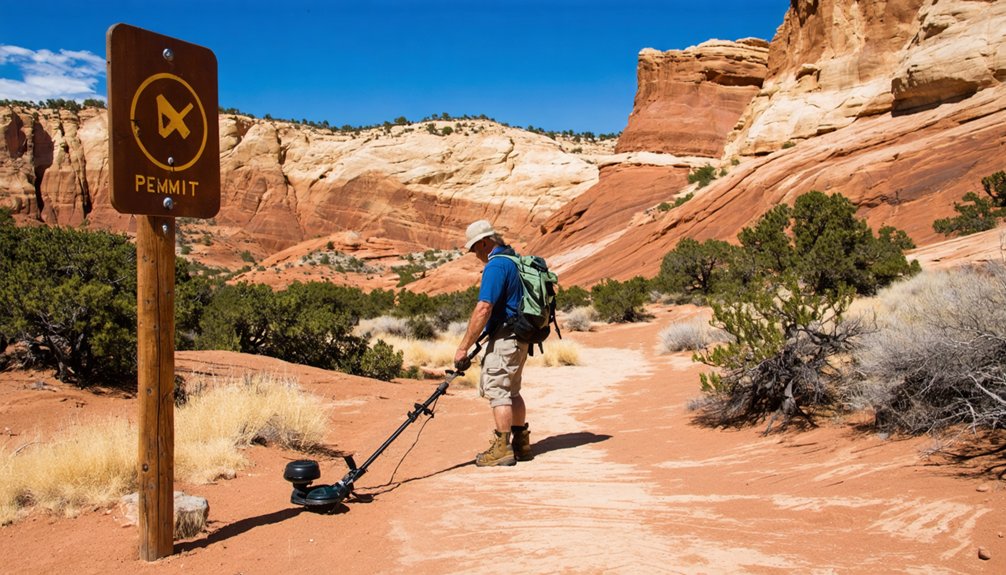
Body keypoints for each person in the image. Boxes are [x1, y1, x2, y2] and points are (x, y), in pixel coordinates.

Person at [454, 219, 534, 467]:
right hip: (521, 338)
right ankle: (521, 444)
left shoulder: (496, 266)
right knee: (512, 391)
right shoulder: (515, 261)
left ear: (485, 243)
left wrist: (463, 347)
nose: (475, 254)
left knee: (498, 392)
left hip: (505, 340)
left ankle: (503, 449)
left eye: (475, 248)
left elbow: (484, 308)